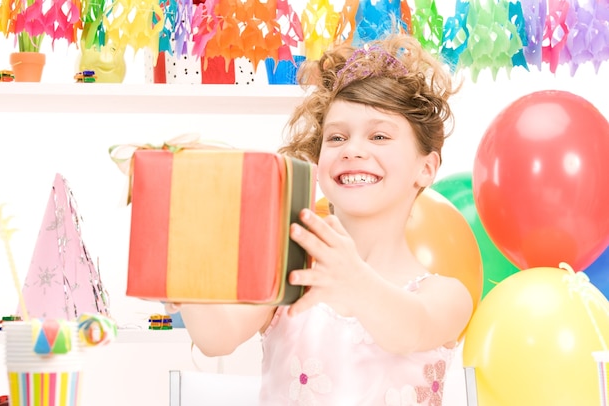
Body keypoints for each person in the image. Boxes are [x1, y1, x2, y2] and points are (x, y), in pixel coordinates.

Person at [167, 32, 473, 405]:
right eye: (337, 138)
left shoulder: (445, 295)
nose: (353, 150)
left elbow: (408, 330)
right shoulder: (289, 275)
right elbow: (216, 340)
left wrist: (351, 276)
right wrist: (185, 244)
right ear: (318, 163)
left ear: (426, 168)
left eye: (378, 136)